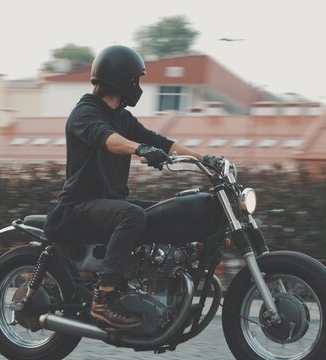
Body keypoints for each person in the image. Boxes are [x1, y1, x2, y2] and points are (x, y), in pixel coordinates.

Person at [44, 45, 218, 329]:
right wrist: (140, 149)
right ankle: (105, 297)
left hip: (107, 204)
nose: (139, 84)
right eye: (137, 78)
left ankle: (156, 283)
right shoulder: (85, 112)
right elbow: (108, 139)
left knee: (165, 211)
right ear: (124, 79)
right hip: (79, 205)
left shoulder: (122, 117)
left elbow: (162, 141)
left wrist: (207, 160)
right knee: (132, 215)